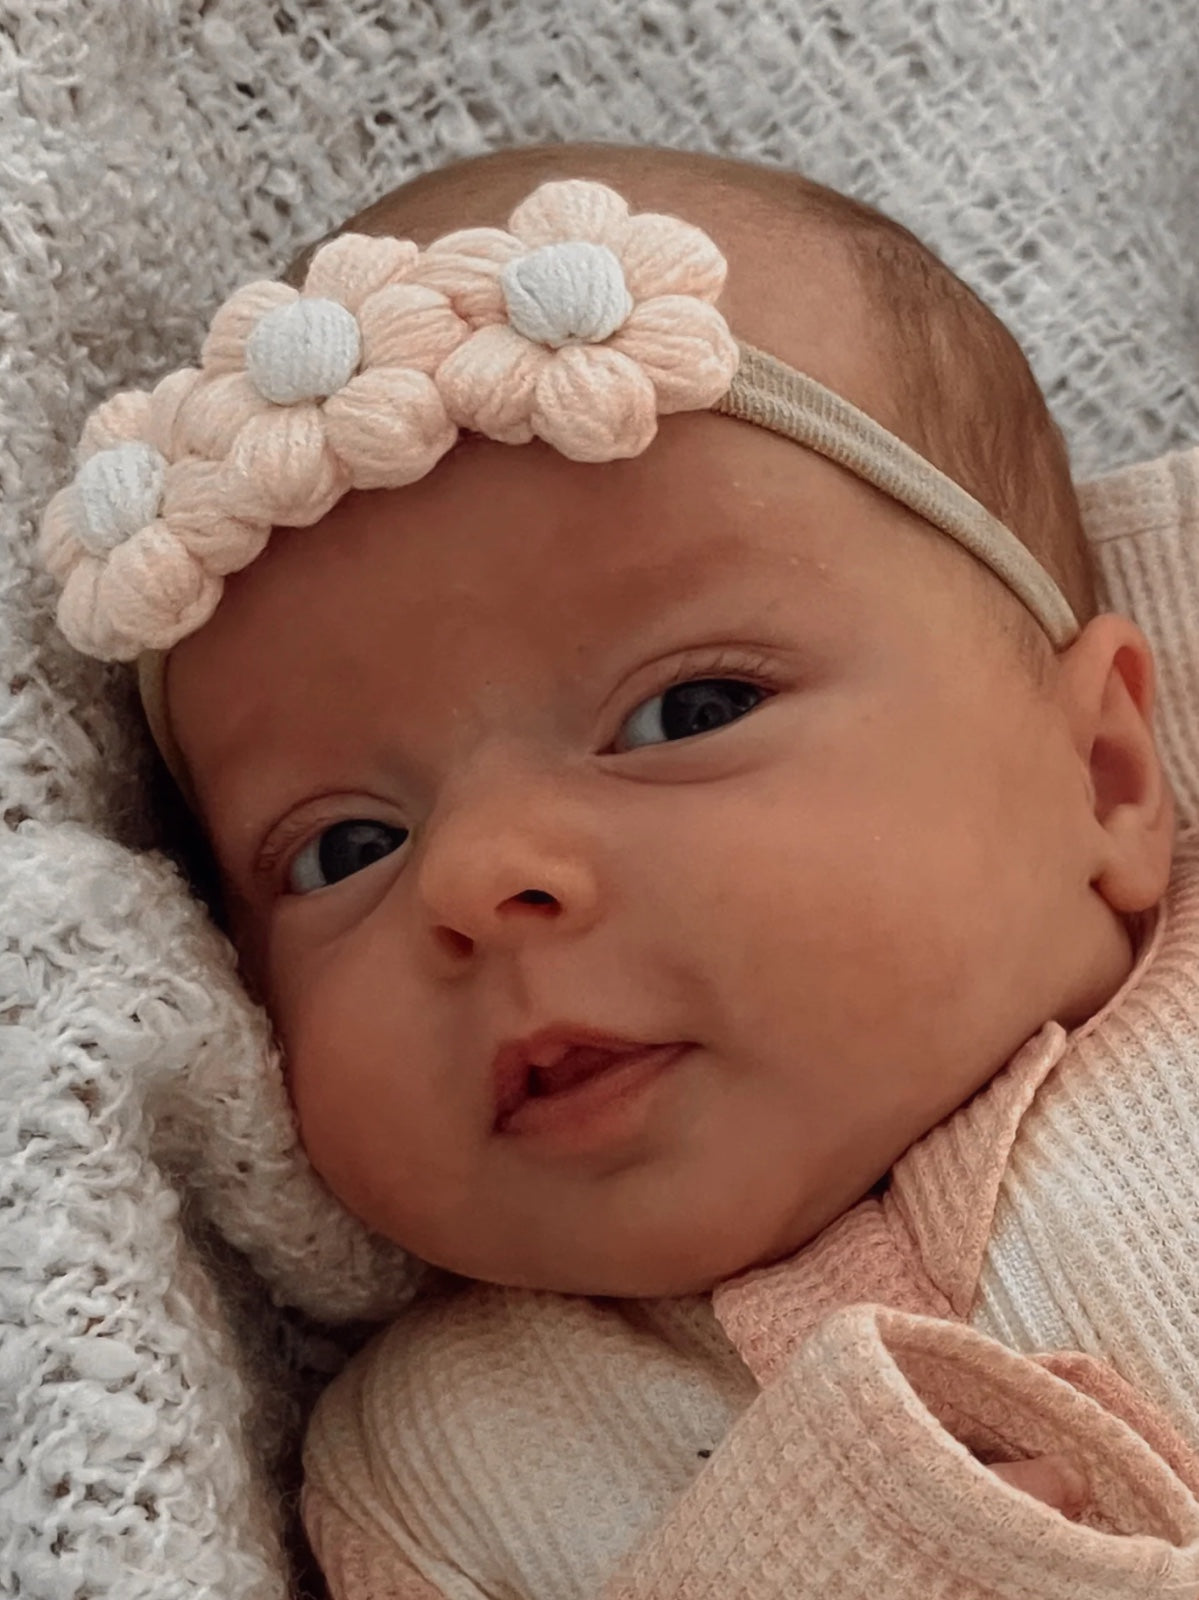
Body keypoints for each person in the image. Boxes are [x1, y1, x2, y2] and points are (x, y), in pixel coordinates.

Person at [37, 141, 1199, 1598]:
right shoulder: (438, 1474)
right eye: (346, 849)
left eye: (687, 714)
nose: (476, 876)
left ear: (1106, 772)